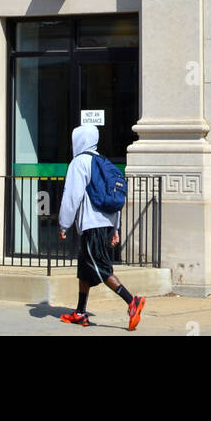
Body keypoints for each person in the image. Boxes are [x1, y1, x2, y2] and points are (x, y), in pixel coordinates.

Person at [57, 123, 145, 329]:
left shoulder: (79, 162)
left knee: (101, 267)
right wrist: (115, 229)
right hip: (105, 224)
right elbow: (116, 200)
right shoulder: (104, 162)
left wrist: (63, 224)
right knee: (84, 269)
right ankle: (80, 312)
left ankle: (132, 301)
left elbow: (71, 196)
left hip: (91, 225)